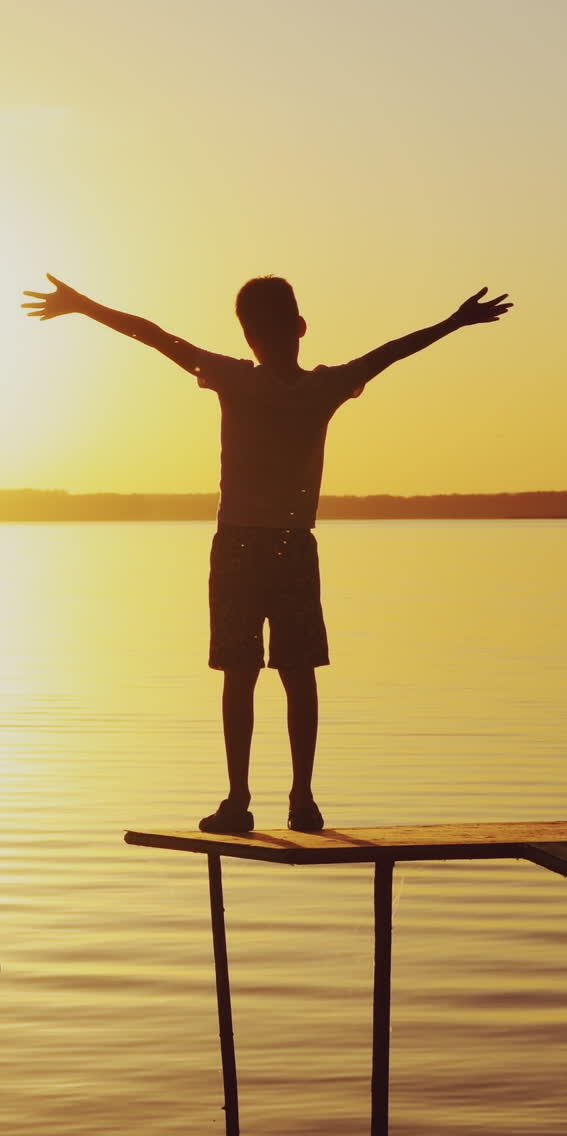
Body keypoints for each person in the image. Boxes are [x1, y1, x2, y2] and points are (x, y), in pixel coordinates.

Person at [23, 272, 512, 833]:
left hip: (254, 546)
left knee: (266, 673)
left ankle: (273, 799)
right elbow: (157, 337)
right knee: (270, 673)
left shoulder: (253, 380)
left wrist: (83, 305)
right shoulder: (308, 385)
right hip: (273, 546)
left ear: (271, 333)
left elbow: (156, 336)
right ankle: (272, 799)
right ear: (292, 329)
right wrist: (454, 322)